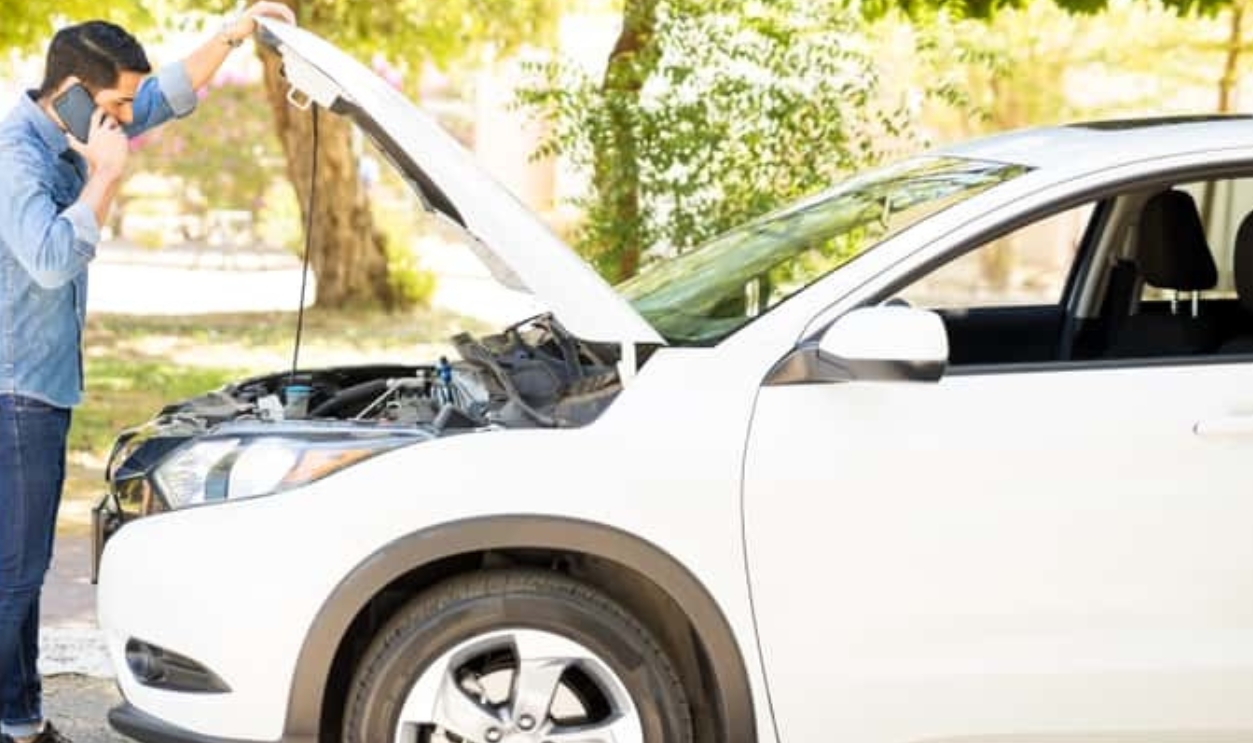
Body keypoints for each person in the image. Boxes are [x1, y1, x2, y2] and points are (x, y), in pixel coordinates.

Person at [0, 4, 295, 742]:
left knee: (19, 569)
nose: (129, 119)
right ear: (72, 92)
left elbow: (161, 93)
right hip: (15, 393)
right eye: (117, 106)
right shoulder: (19, 157)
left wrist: (231, 33)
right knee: (16, 572)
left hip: (39, 384)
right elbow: (50, 259)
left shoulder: (76, 125)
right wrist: (104, 177)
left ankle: (20, 718)